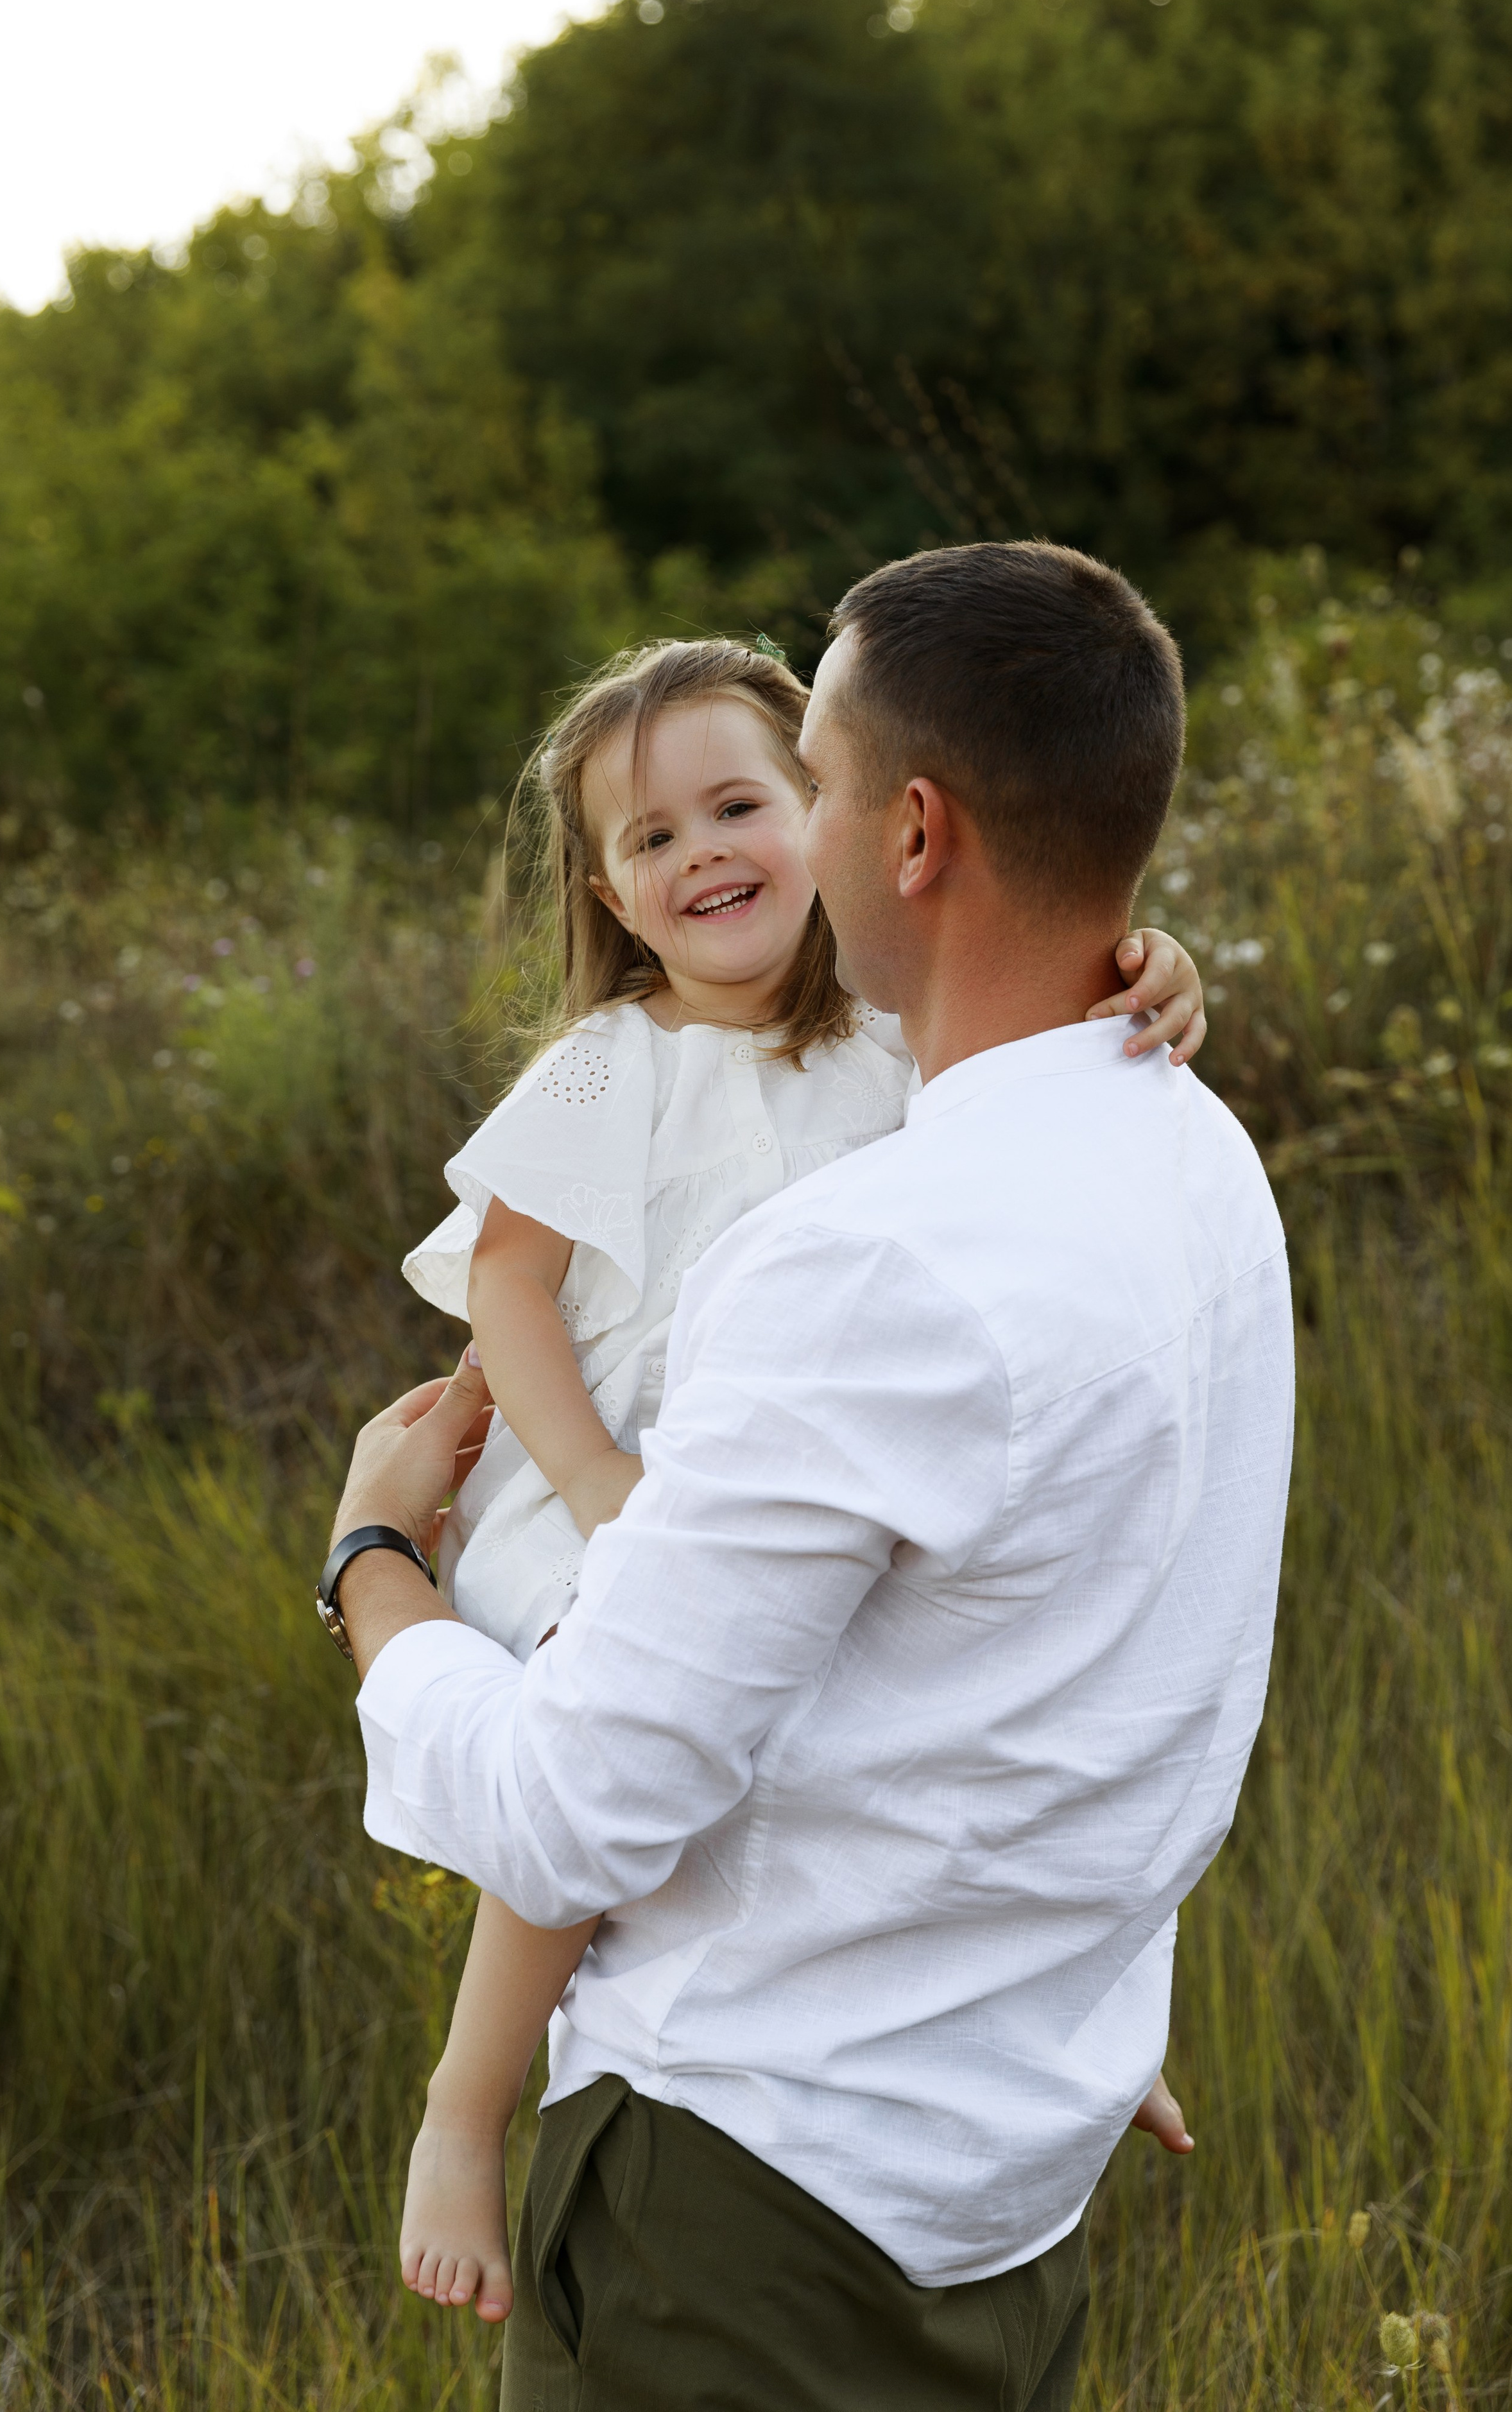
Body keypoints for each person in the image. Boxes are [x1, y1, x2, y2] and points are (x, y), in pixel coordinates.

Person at [324, 542, 1294, 2412]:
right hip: (990, 2136)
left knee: (599, 1784)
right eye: (650, 838)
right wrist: (594, 1476)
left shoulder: (883, 1154)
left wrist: (372, 1559)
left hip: (765, 2194)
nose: (725, 854)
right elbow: (515, 1280)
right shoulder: (1185, 1155)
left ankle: (483, 2100)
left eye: (797, 791)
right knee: (636, 1736)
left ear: (901, 835)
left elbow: (580, 1803)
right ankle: (468, 2098)